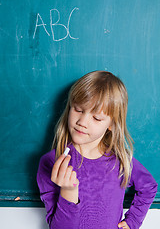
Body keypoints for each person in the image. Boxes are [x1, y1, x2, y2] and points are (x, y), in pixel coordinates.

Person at [37, 71, 157, 229]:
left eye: (96, 118)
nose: (82, 122)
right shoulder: (51, 162)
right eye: (78, 110)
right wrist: (68, 191)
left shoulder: (121, 161)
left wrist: (133, 221)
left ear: (112, 124)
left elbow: (149, 187)